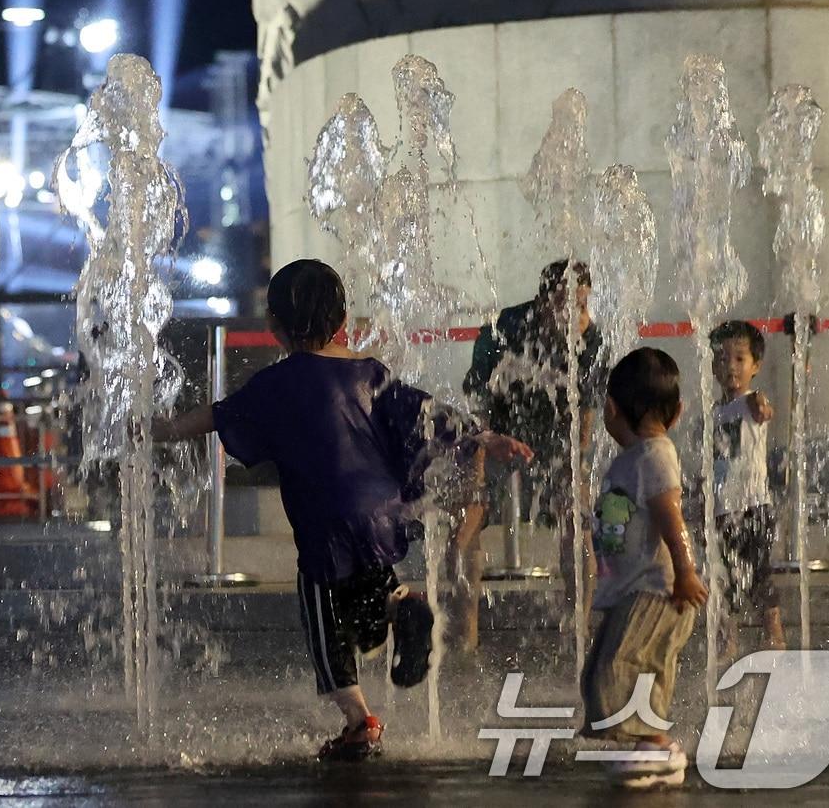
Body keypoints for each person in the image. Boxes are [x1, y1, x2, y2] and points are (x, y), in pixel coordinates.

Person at [153, 259, 533, 761]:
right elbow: (425, 412)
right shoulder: (370, 372)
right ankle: (403, 606)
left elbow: (220, 416)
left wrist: (165, 430)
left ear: (274, 326)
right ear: (343, 320)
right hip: (380, 510)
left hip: (324, 519)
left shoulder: (278, 383)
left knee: (323, 625)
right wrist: (486, 435)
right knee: (367, 593)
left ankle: (358, 721)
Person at [455, 260, 606, 646]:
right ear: (542, 303)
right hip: (503, 431)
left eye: (582, 305)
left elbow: (586, 411)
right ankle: (464, 630)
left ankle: (580, 625)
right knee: (468, 512)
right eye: (564, 304)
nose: (574, 315)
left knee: (577, 522)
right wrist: (486, 445)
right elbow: (477, 395)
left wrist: (578, 460)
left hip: (557, 435)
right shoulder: (504, 328)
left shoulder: (590, 340)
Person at [581, 347, 707, 789]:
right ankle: (646, 748)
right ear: (677, 413)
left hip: (659, 589)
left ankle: (659, 747)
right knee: (609, 666)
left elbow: (669, 516)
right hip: (636, 589)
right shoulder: (634, 459)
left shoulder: (654, 456)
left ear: (611, 408)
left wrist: (685, 571)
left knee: (624, 662)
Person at [708, 321, 784, 655]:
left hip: (754, 506)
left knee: (760, 575)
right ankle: (730, 640)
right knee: (727, 578)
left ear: (755, 366)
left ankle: (775, 634)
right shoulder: (716, 412)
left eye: (739, 359)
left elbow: (763, 406)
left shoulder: (751, 401)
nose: (730, 367)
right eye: (722, 359)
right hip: (725, 507)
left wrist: (764, 404)